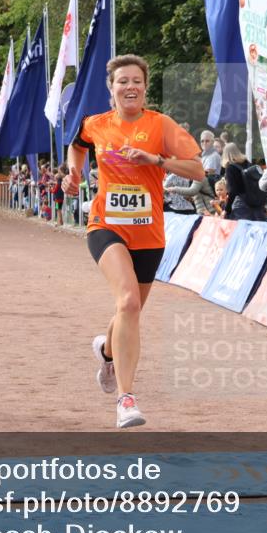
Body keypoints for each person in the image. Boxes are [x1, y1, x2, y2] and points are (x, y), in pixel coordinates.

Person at [62, 54, 203, 429]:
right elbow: (77, 146)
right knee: (126, 301)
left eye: (136, 81)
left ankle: (107, 352)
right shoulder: (95, 124)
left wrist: (156, 160)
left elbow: (197, 170)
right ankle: (126, 399)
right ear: (111, 88)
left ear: (144, 86)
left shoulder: (161, 125)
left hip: (149, 232)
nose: (130, 87)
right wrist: (74, 174)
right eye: (122, 81)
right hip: (106, 225)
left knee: (131, 310)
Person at [221, 143, 265, 221]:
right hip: (256, 201)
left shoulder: (230, 168)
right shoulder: (249, 164)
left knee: (244, 230)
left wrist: (227, 209)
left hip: (241, 204)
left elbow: (233, 190)